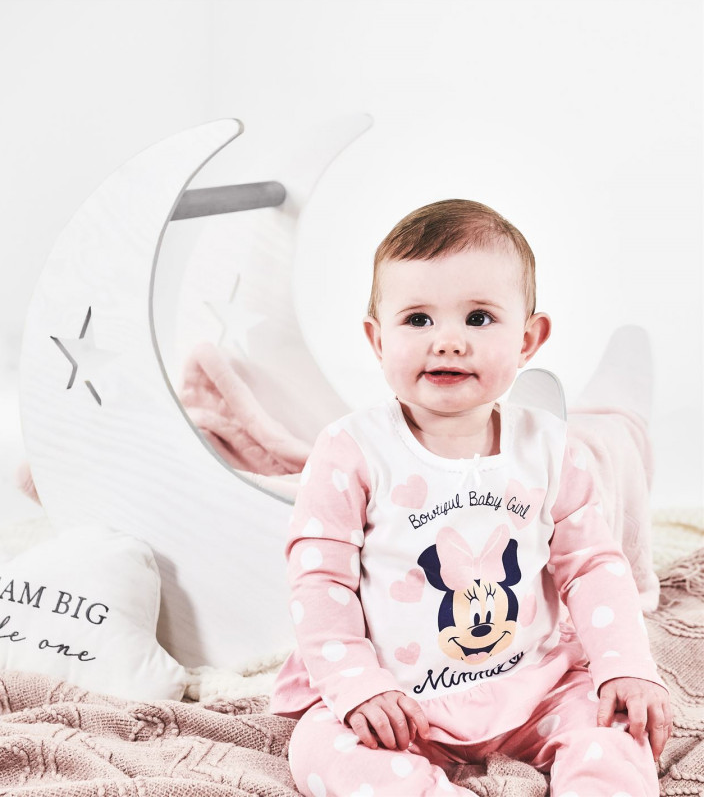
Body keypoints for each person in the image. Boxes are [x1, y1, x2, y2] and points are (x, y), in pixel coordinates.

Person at [270, 199, 671, 796]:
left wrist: (625, 666)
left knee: (616, 728)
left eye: (479, 318)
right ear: (377, 339)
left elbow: (591, 566)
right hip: (398, 701)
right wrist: (357, 686)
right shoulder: (351, 450)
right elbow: (320, 582)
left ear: (528, 339)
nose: (449, 341)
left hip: (535, 686)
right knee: (319, 747)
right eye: (418, 319)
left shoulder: (551, 448)